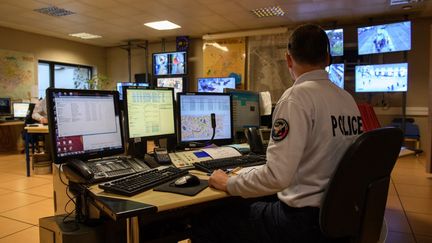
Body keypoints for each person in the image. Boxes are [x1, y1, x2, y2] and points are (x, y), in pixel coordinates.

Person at [191, 24, 363, 243]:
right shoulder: (347, 99)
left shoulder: (296, 98)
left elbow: (277, 176)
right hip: (337, 219)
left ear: (288, 59)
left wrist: (229, 183)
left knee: (210, 220)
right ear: (328, 59)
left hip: (301, 224)